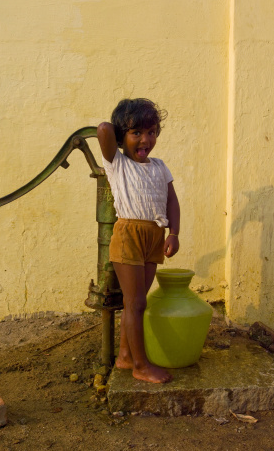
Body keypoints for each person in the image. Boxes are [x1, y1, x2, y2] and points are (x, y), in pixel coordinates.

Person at [97, 98, 180, 383]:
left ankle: (125, 357)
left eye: (152, 132)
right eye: (137, 133)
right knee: (134, 303)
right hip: (129, 236)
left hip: (154, 236)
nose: (146, 139)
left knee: (138, 302)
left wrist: (174, 233)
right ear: (123, 137)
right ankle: (141, 366)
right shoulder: (116, 163)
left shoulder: (159, 167)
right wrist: (120, 130)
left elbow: (172, 201)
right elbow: (103, 129)